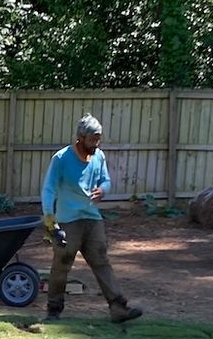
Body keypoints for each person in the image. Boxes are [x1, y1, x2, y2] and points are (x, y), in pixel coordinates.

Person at [40, 113, 142, 323]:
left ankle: (118, 308)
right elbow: (49, 189)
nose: (96, 144)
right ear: (80, 138)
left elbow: (106, 180)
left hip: (92, 219)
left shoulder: (99, 157)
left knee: (101, 261)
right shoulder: (61, 158)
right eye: (92, 140)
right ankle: (53, 311)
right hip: (68, 220)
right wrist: (50, 219)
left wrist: (103, 190)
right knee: (62, 264)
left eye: (98, 139)